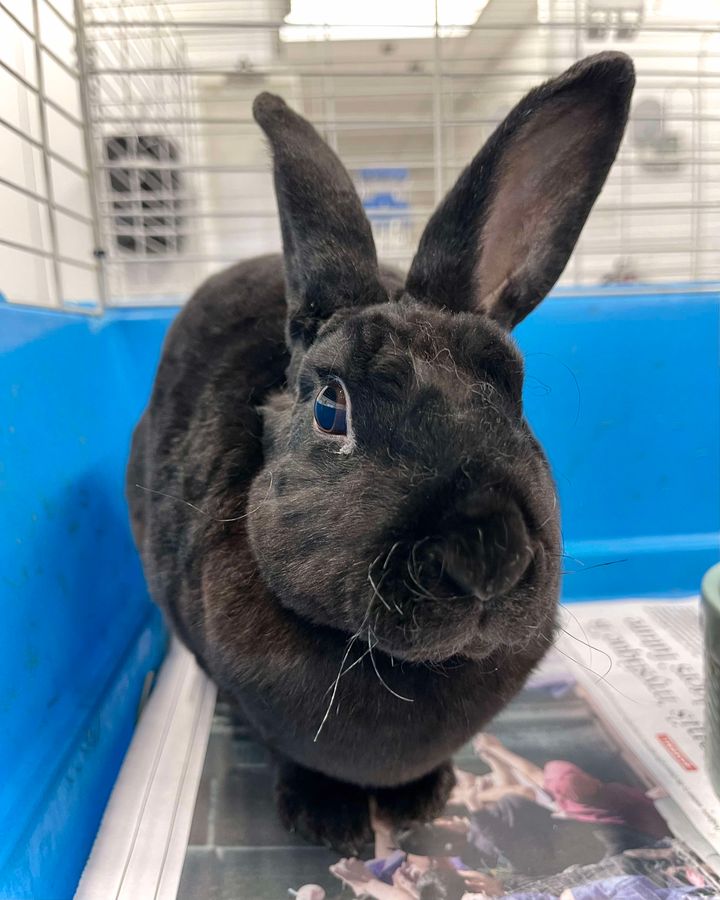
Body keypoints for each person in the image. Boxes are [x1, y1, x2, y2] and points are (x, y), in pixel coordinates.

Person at [471, 735, 670, 842]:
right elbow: (532, 774)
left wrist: (494, 751)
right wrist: (494, 748)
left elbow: (533, 773)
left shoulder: (572, 807)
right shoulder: (613, 795)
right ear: (588, 777)